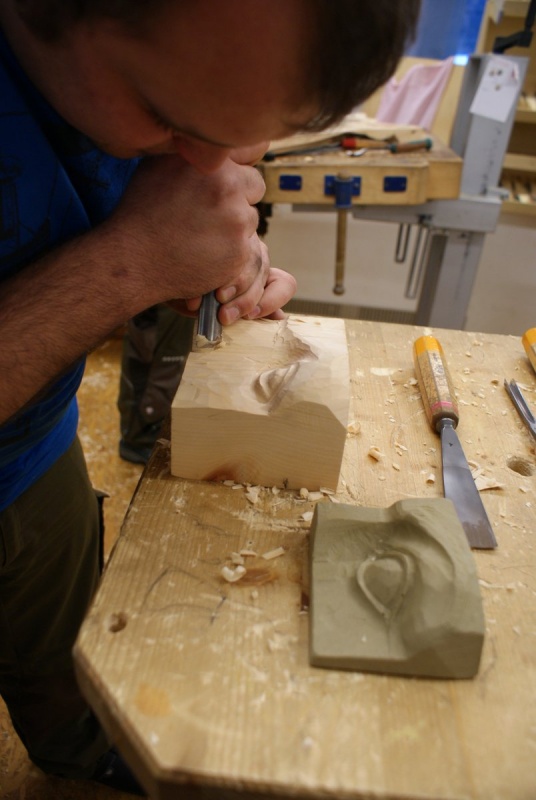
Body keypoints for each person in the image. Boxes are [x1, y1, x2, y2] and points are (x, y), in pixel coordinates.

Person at [0, 0, 421, 795]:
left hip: (37, 447)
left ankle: (76, 754)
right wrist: (126, 263)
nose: (215, 167)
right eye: (168, 117)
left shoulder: (135, 79)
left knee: (65, 672)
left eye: (247, 136)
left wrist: (190, 259)